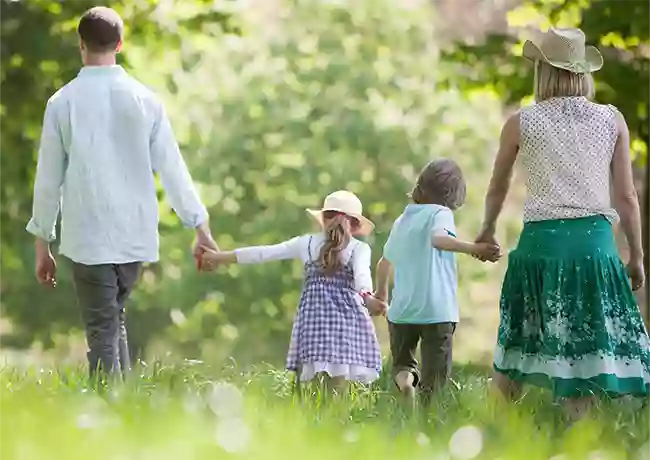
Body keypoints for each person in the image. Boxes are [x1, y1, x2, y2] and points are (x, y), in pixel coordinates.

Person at [26, 6, 217, 381]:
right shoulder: (146, 100)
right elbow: (173, 168)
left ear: (80, 44)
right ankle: (126, 409)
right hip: (134, 235)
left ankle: (107, 414)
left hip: (88, 236)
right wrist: (200, 225)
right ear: (120, 44)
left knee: (102, 329)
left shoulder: (62, 102)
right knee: (113, 321)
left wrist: (42, 244)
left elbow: (48, 179)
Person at [475, 27, 650, 419]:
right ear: (583, 72)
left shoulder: (521, 123)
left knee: (515, 349)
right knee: (584, 353)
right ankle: (578, 438)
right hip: (594, 247)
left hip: (540, 246)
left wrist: (486, 229)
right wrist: (635, 256)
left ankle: (490, 436)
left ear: (542, 71)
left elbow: (498, 186)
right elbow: (626, 198)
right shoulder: (611, 120)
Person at [201, 190, 386, 392]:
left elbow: (263, 253)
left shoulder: (305, 243)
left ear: (323, 219)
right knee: (338, 385)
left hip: (313, 319)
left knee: (312, 385)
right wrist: (367, 297)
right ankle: (337, 420)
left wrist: (219, 257)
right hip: (346, 321)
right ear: (356, 224)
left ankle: (311, 419)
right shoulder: (359, 248)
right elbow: (362, 278)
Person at [375, 159, 501, 407]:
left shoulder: (403, 220)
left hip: (402, 311)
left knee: (402, 364)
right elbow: (439, 239)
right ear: (453, 193)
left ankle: (406, 382)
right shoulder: (441, 213)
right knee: (435, 377)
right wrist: (473, 248)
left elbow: (383, 263)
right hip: (436, 310)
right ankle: (428, 418)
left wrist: (381, 294)